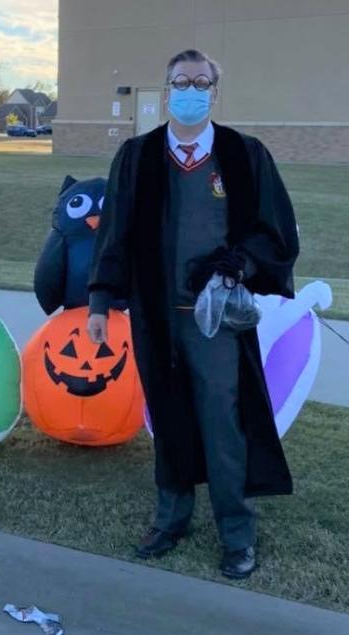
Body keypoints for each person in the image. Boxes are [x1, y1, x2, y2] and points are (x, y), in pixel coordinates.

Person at [86, 49, 300, 579]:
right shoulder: (137, 157)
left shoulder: (243, 155)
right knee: (168, 416)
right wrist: (98, 301)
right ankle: (170, 518)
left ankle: (236, 533)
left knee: (223, 424)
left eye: (200, 82)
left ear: (214, 92)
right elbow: (114, 232)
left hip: (217, 322)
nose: (190, 90)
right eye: (181, 81)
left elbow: (274, 231)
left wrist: (240, 262)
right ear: (166, 89)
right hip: (158, 316)